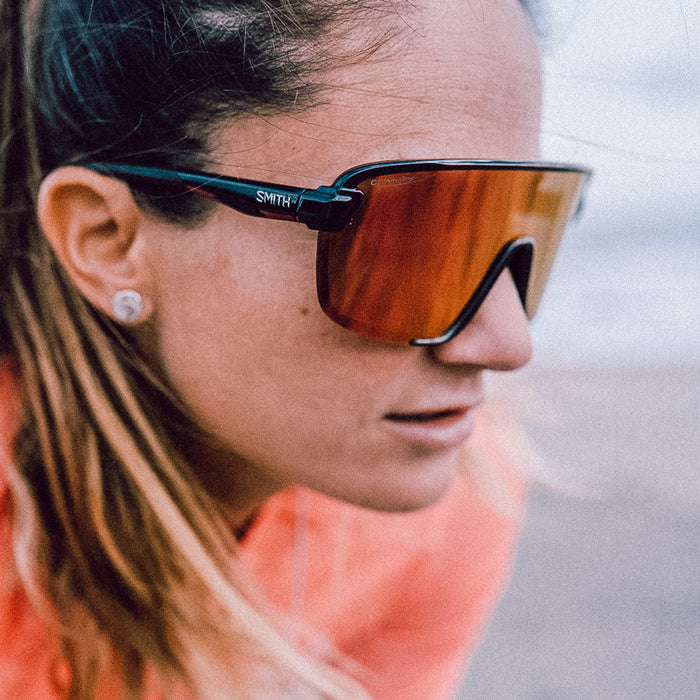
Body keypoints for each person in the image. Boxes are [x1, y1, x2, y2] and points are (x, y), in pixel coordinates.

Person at [0, 0, 590, 697]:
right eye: (408, 239)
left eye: (526, 222)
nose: (509, 344)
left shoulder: (453, 495)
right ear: (109, 240)